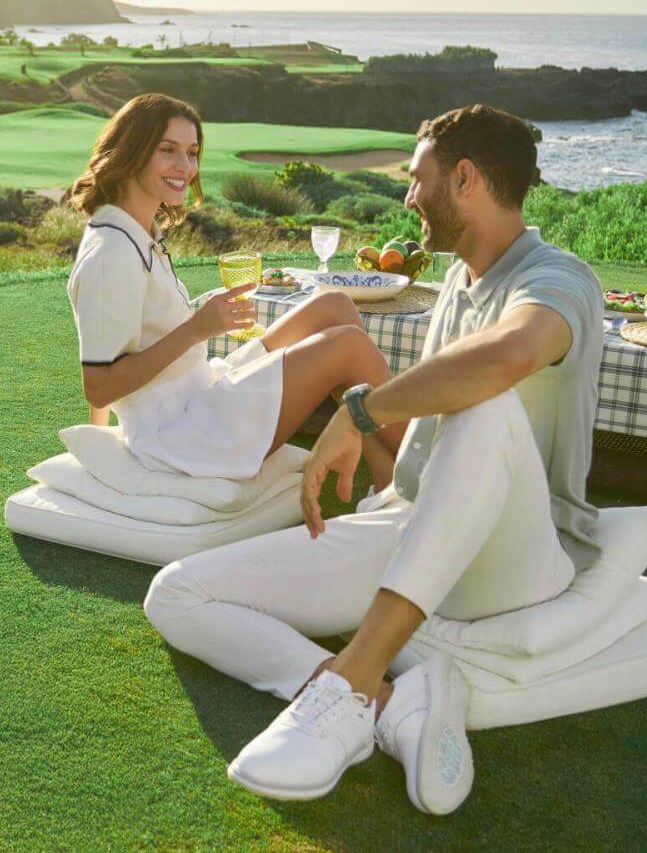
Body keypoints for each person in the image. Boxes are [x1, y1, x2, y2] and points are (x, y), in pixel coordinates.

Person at [143, 104, 604, 815]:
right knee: (174, 592)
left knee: (486, 398)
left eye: (418, 180)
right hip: (411, 527)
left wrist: (360, 411)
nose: (409, 196)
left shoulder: (558, 276)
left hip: (516, 559)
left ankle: (349, 680)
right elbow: (431, 436)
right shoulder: (458, 280)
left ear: (466, 178)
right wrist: (374, 433)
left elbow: (509, 356)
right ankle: (392, 708)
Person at [66, 92, 407, 489]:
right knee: (349, 346)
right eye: (167, 150)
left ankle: (389, 482)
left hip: (203, 393)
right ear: (132, 151)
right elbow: (101, 383)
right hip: (183, 435)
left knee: (333, 306)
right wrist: (198, 329)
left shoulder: (140, 234)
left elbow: (108, 349)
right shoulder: (112, 253)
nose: (186, 167)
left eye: (192, 153)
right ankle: (420, 469)